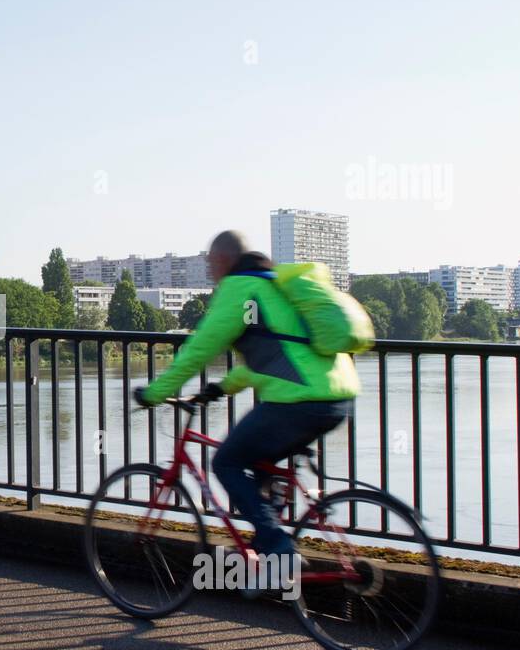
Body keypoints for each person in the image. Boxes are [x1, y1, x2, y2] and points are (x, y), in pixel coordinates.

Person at [134, 231, 359, 556]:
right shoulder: (273, 286)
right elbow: (277, 357)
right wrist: (220, 388)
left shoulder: (239, 288)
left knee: (226, 461)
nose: (210, 271)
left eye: (210, 262)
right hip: (337, 397)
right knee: (261, 462)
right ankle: (268, 548)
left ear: (223, 259)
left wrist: (155, 393)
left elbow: (199, 349)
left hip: (299, 402)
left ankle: (279, 548)